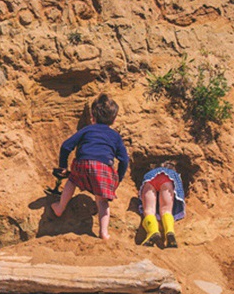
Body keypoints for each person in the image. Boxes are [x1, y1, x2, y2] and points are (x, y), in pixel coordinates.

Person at [52, 93, 129, 240]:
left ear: (93, 116)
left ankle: (60, 207)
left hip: (83, 162)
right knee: (102, 200)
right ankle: (104, 233)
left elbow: (66, 146)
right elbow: (124, 159)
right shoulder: (115, 136)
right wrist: (118, 179)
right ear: (113, 119)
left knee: (72, 181)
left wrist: (63, 166)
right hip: (103, 167)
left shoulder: (87, 129)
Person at [139, 162, 185, 248]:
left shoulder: (152, 172)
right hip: (167, 180)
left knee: (149, 210)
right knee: (166, 210)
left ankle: (152, 232)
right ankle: (170, 232)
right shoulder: (172, 174)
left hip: (150, 178)